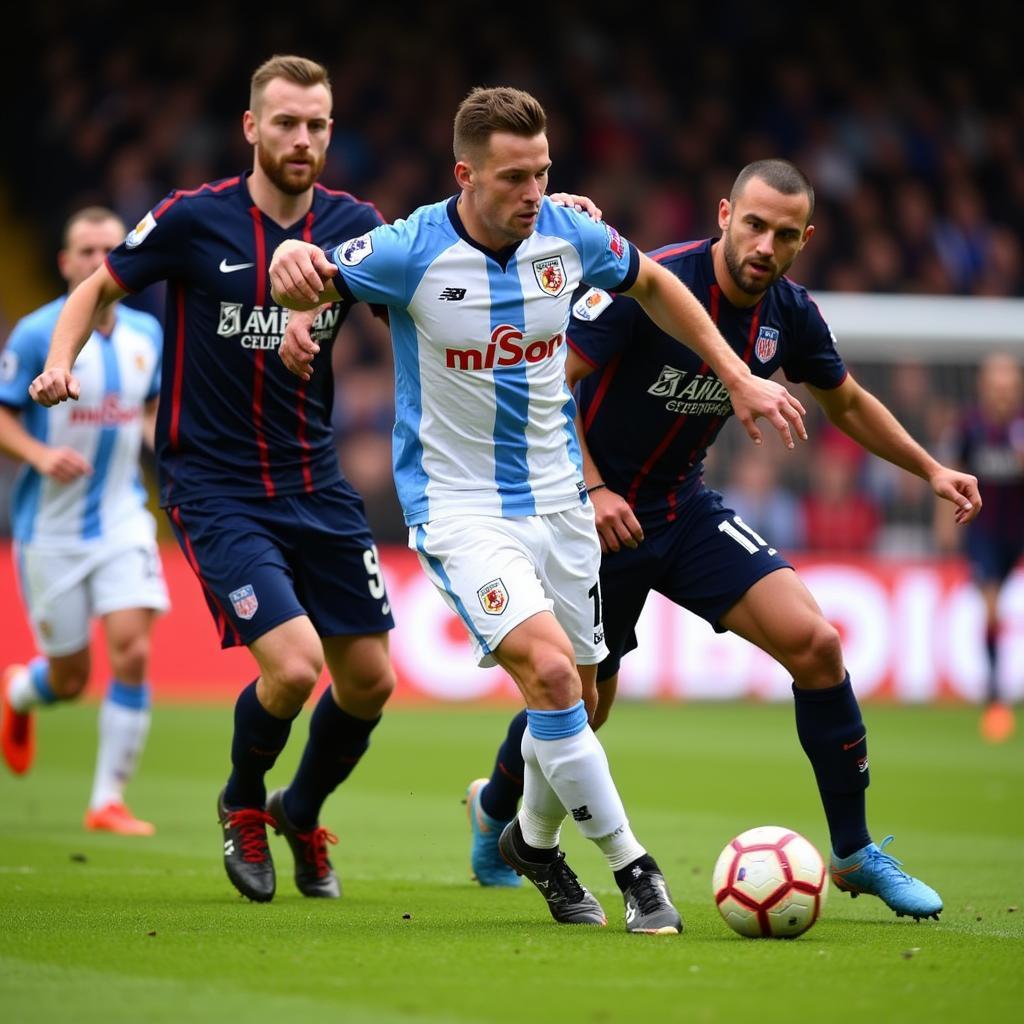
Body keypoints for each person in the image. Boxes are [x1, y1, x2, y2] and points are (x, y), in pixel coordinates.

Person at [269, 87, 808, 934]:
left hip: (559, 500)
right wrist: (295, 299)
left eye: (544, 173)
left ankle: (529, 841)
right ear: (466, 175)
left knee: (583, 703)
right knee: (552, 678)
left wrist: (737, 375)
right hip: (459, 505)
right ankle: (637, 874)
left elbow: (657, 284)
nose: (534, 193)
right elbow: (311, 273)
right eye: (515, 178)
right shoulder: (413, 247)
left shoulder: (568, 231)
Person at [462, 159, 982, 923]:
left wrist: (932, 468)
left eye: (783, 233)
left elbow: (848, 401)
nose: (765, 245)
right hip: (588, 517)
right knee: (582, 703)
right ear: (724, 214)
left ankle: (853, 853)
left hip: (682, 510)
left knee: (817, 644)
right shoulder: (650, 284)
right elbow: (551, 387)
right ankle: (496, 812)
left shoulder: (790, 316)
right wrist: (594, 488)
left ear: (805, 239)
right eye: (753, 225)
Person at [28, 56, 399, 904]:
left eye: (316, 125)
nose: (301, 139)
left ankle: (298, 811)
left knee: (371, 680)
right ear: (251, 128)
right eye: (285, 124)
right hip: (217, 487)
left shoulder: (354, 225)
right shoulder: (195, 219)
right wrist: (59, 363)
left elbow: (422, 293)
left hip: (316, 481)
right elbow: (96, 287)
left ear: (330, 131)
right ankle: (241, 803)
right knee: (297, 666)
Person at [0, 206, 167, 835]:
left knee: (132, 650)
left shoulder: (145, 335)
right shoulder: (36, 334)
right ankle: (21, 692)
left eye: (111, 247)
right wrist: (41, 454)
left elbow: (147, 411)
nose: (101, 259)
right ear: (65, 262)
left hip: (124, 515)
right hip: (52, 532)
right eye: (86, 250)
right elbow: (3, 415)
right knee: (70, 679)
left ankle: (107, 801)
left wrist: (172, 447)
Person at [939, 352, 1023, 742]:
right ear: (985, 388)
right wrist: (945, 524)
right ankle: (994, 691)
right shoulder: (969, 428)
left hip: (1018, 529)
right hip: (985, 533)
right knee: (990, 607)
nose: (1003, 394)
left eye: (1009, 387)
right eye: (997, 386)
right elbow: (949, 470)